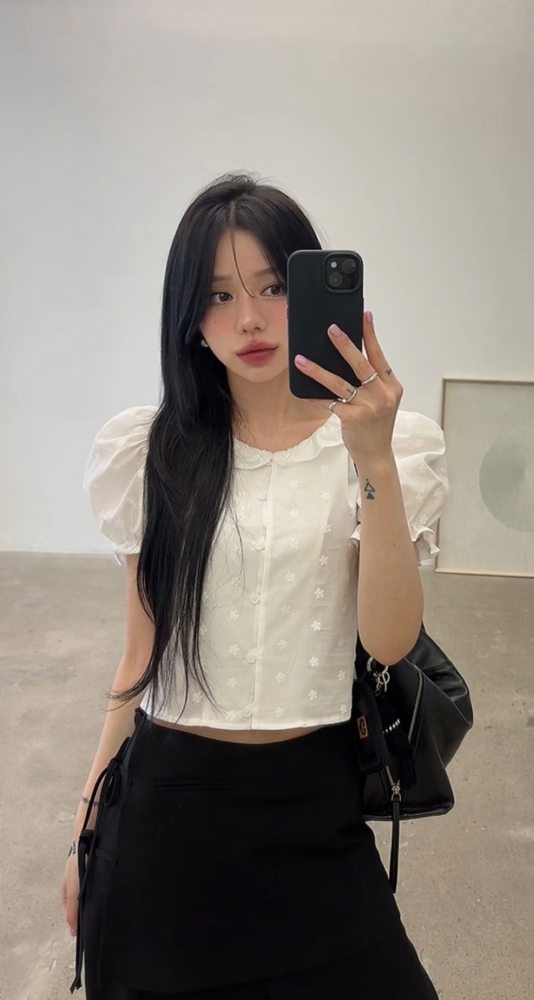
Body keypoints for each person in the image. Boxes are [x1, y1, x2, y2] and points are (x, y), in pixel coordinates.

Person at [61, 173, 448, 999]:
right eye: (218, 295)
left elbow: (388, 641)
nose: (248, 318)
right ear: (189, 319)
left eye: (273, 287)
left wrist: (373, 461)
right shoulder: (150, 451)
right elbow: (139, 654)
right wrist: (86, 823)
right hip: (167, 817)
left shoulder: (390, 445)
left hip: (314, 807)